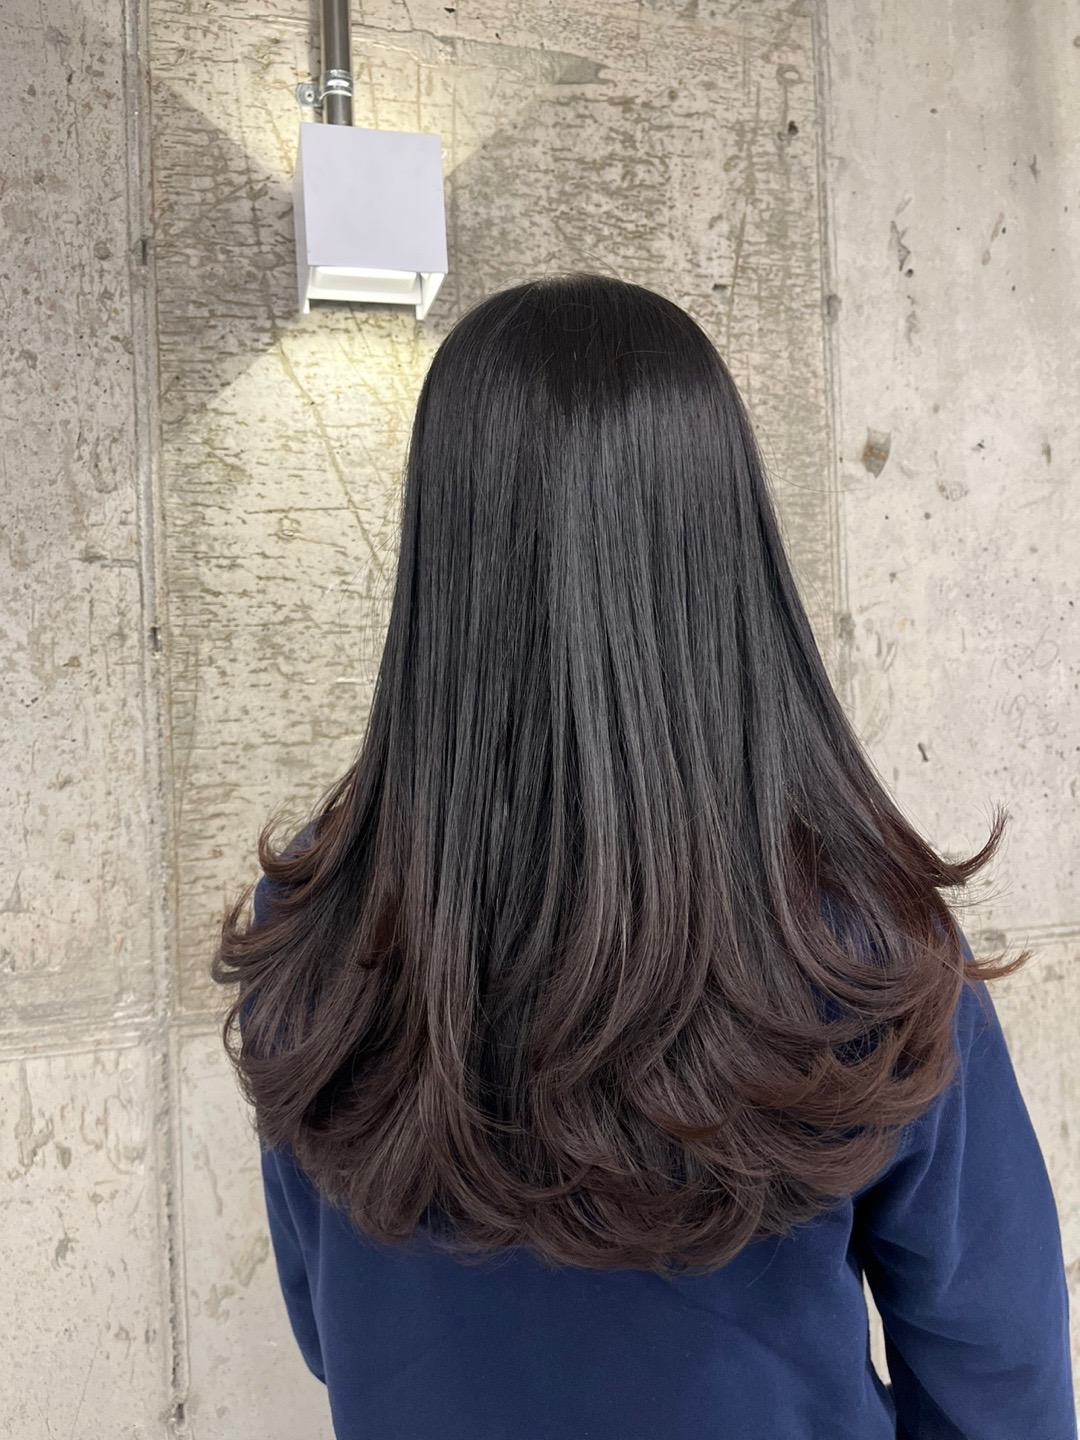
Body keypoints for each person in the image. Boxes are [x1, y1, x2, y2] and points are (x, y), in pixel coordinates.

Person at [213, 273, 1075, 1439]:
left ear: (444, 555)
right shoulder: (855, 949)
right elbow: (999, 1377)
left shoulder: (318, 924)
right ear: (723, 550)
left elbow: (330, 1335)